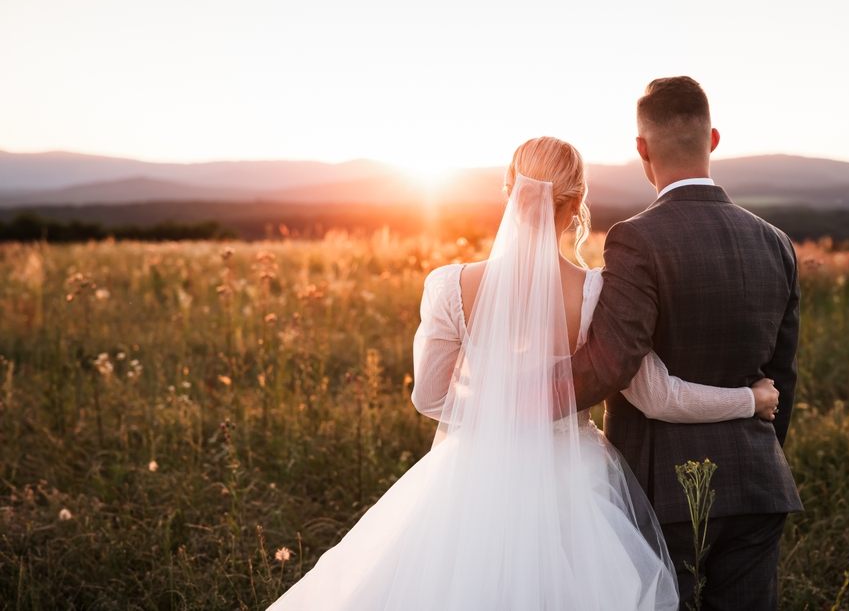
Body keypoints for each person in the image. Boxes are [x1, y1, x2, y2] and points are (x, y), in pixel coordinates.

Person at [269, 135, 780, 610]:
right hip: (576, 482)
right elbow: (657, 397)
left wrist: (499, 412)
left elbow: (429, 398)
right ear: (578, 202)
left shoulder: (450, 287)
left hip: (471, 475)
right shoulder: (599, 293)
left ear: (508, 193)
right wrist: (750, 400)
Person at [571, 76, 804, 610]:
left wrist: (523, 399)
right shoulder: (776, 242)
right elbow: (782, 376)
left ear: (640, 149)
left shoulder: (636, 237)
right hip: (758, 482)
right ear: (714, 139)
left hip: (663, 489)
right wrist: (757, 452)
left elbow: (613, 362)